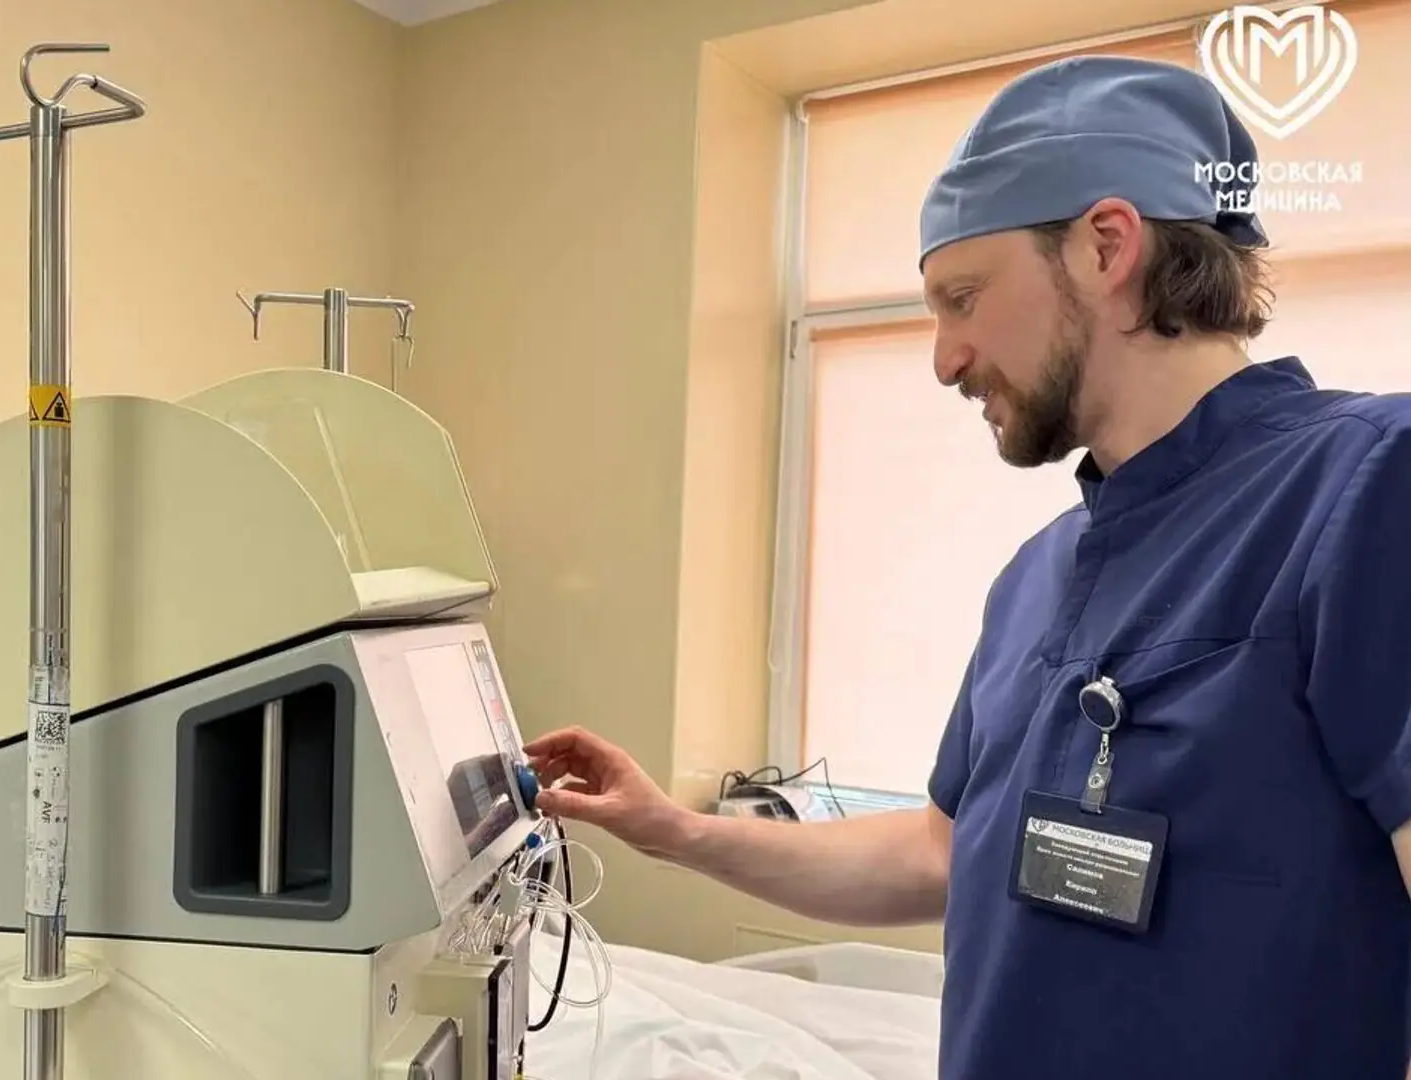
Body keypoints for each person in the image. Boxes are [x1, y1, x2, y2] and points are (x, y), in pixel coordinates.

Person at [525, 54, 1411, 1080]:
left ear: (1106, 246)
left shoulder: (1364, 487)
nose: (944, 358)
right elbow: (939, 851)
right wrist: (674, 832)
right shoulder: (1042, 575)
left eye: (963, 297)